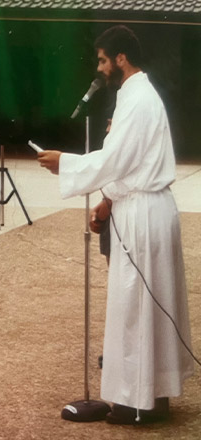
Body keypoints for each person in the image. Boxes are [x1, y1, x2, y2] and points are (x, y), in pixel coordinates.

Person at [37, 25, 193, 425]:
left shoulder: (138, 98)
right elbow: (128, 160)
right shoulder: (136, 95)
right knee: (144, 305)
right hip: (141, 207)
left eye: (103, 59)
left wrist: (65, 163)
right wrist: (107, 200)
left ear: (121, 59)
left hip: (143, 213)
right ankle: (149, 396)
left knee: (136, 307)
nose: (100, 67)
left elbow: (116, 159)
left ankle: (139, 403)